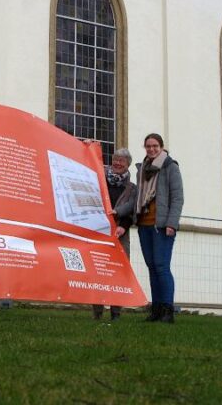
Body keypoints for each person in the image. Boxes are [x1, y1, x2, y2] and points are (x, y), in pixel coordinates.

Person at [135, 133, 183, 323]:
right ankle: (155, 309)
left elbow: (177, 197)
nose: (151, 149)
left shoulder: (170, 167)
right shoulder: (142, 169)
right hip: (144, 224)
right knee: (152, 267)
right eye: (148, 146)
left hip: (162, 226)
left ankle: (167, 310)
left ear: (161, 147)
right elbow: (138, 195)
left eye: (155, 146)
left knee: (162, 267)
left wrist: (172, 223)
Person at [90, 147, 136, 321]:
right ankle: (97, 313)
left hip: (119, 233)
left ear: (127, 165)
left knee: (118, 273)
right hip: (98, 231)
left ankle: (115, 313)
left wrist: (123, 226)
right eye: (115, 159)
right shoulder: (100, 179)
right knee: (97, 271)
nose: (117, 163)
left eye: (121, 161)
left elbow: (132, 210)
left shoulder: (132, 188)